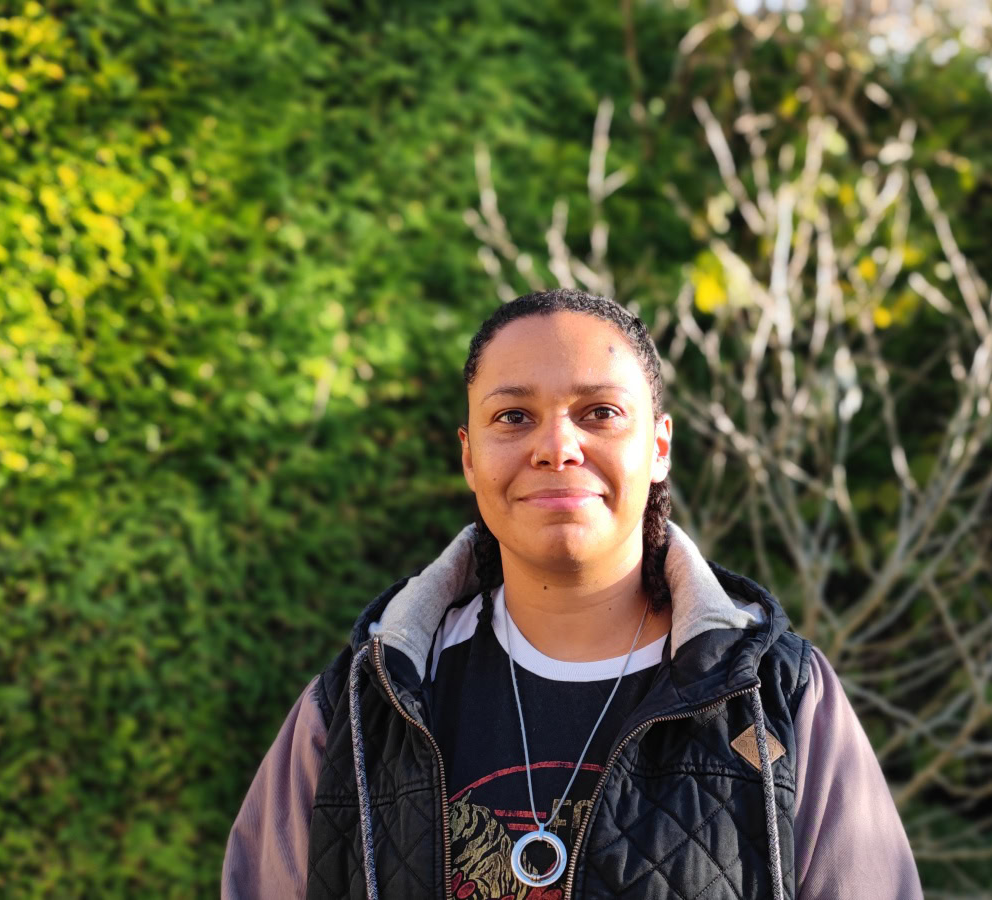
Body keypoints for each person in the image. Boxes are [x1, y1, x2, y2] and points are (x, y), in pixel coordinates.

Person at [222, 289, 923, 899]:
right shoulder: (363, 703)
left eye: (600, 412)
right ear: (469, 456)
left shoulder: (778, 698)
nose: (556, 447)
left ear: (659, 447)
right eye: (513, 417)